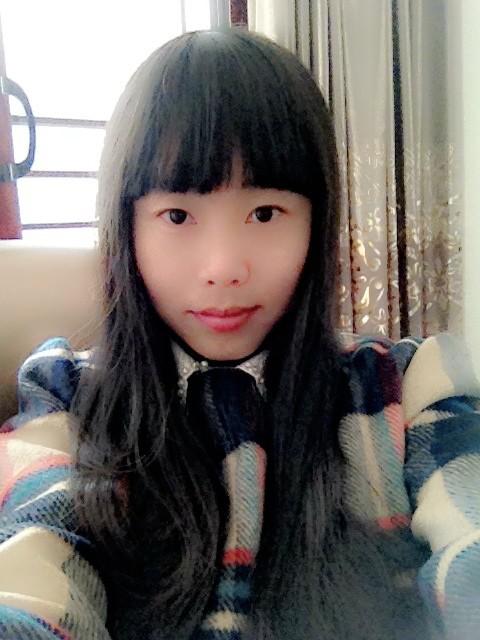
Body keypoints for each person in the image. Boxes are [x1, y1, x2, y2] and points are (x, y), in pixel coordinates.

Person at [0, 27, 479, 640]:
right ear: (128, 227)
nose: (223, 267)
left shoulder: (404, 388)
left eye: (265, 212)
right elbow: (33, 566)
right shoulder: (67, 398)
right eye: (177, 215)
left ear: (316, 221)